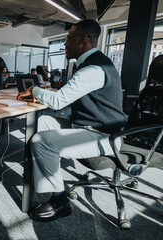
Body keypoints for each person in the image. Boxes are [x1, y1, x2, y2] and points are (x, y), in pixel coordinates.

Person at [17, 19, 126, 221]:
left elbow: (59, 101)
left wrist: (34, 90)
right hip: (89, 126)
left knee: (42, 141)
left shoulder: (93, 69)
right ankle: (42, 173)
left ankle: (60, 202)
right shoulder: (89, 64)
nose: (65, 44)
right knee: (39, 124)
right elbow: (69, 97)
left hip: (105, 136)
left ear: (83, 39)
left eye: (68, 39)